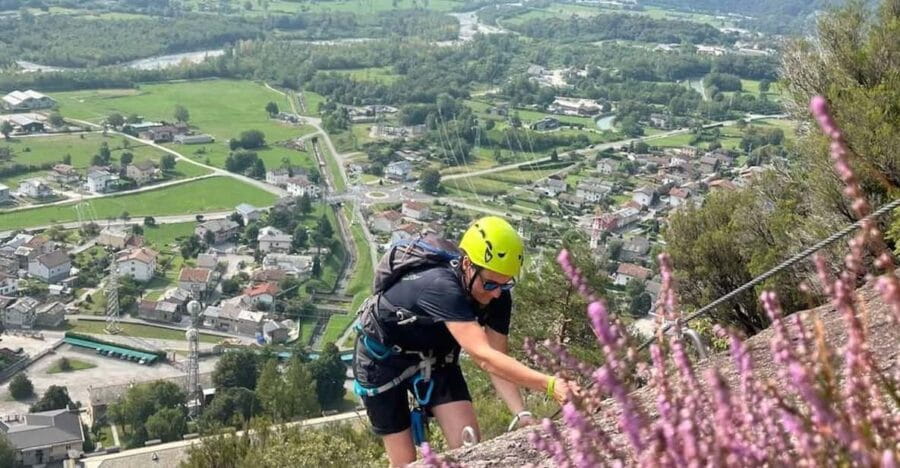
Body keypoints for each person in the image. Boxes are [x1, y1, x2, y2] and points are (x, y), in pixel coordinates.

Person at [353, 216, 575, 467]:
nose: (496, 293)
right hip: (382, 362)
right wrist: (549, 384)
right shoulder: (439, 285)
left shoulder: (498, 293)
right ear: (467, 264)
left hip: (436, 359)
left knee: (469, 447)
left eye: (505, 283)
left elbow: (498, 358)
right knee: (405, 462)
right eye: (490, 283)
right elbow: (483, 357)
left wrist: (521, 413)